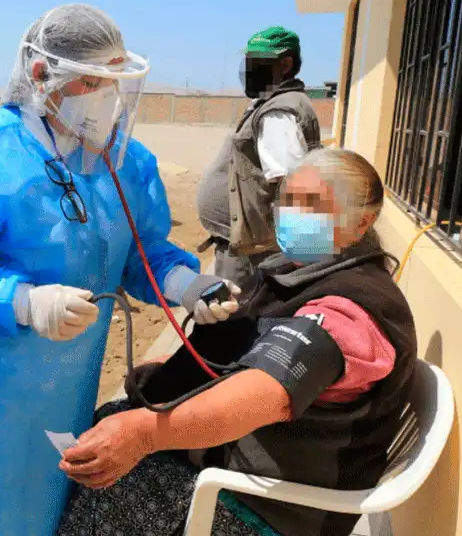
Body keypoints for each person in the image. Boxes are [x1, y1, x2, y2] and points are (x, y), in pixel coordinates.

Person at [0, 3, 236, 536]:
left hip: (72, 376)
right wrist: (24, 302)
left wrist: (185, 283)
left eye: (114, 81)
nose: (108, 98)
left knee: (51, 499)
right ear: (42, 75)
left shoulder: (123, 161)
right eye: (93, 81)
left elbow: (139, 251)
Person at [55, 148, 417, 536]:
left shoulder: (346, 313)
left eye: (313, 205)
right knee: (102, 433)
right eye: (288, 200)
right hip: (234, 467)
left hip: (263, 507)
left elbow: (267, 393)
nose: (292, 214)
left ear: (361, 222)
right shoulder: (303, 273)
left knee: (106, 479)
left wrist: (145, 433)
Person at [196, 26, 323, 286]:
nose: (248, 69)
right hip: (247, 244)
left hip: (251, 250)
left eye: (257, 62)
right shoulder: (274, 105)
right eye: (248, 61)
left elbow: (289, 185)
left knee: (239, 315)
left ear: (285, 64)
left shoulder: (279, 113)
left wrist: (302, 251)